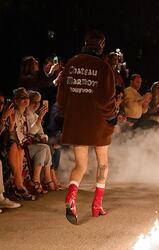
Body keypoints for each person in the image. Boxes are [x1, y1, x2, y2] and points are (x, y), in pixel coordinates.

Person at [57, 30, 117, 225]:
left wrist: (64, 114)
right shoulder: (103, 66)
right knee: (102, 163)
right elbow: (108, 98)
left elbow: (62, 95)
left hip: (76, 121)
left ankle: (70, 199)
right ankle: (97, 205)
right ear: (101, 45)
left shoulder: (72, 63)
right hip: (98, 122)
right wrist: (112, 117)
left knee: (80, 165)